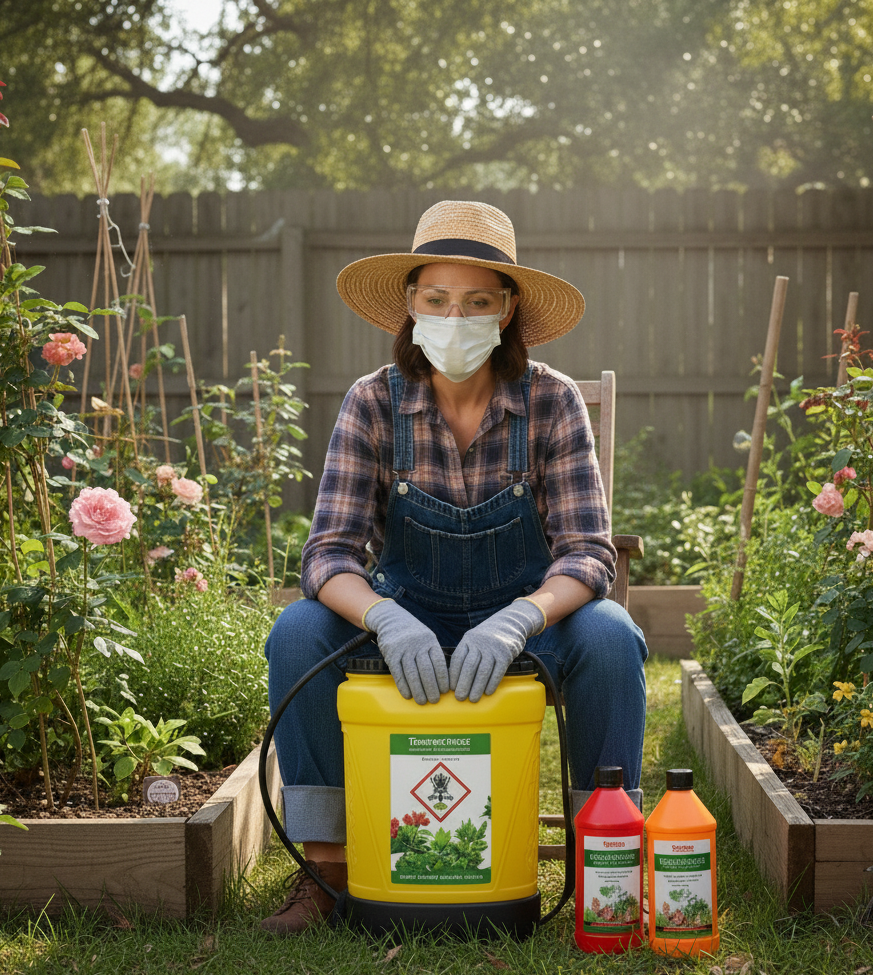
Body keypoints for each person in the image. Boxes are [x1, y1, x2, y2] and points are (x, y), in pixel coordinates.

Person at [261, 200, 648, 935]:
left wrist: (520, 616)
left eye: (475, 301)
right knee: (296, 632)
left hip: (531, 625)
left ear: (506, 310)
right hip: (406, 616)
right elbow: (329, 555)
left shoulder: (552, 401)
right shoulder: (372, 402)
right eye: (435, 300)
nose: (454, 316)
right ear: (409, 306)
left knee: (610, 635)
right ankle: (326, 871)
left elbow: (588, 553)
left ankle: (604, 865)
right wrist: (383, 615)